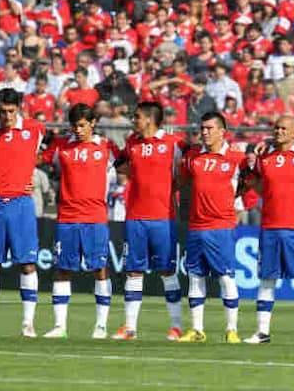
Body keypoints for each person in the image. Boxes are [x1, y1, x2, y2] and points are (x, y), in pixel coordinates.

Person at [0, 88, 47, 338]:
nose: (7, 116)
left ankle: (28, 324)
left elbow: (52, 151)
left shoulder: (35, 129)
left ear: (19, 109)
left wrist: (29, 176)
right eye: (2, 111)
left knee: (27, 264)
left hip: (21, 204)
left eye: (11, 111)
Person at [38, 103, 118, 339]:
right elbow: (37, 160)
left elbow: (129, 165)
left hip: (95, 217)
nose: (78, 130)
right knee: (63, 269)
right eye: (75, 126)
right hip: (68, 217)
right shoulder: (61, 146)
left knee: (100, 269)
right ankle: (60, 326)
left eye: (83, 125)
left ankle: (101, 326)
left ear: (92, 123)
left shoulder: (106, 147)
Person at [243, 115, 294, 345]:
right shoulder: (265, 155)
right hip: (270, 226)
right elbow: (254, 182)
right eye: (276, 128)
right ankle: (262, 332)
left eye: (284, 128)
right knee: (267, 280)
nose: (279, 131)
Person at [111, 102, 187, 341]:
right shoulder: (132, 142)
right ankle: (129, 327)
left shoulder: (174, 143)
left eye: (137, 116)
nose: (134, 120)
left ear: (150, 119)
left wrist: (172, 187)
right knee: (134, 271)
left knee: (167, 271)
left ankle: (176, 326)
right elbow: (120, 163)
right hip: (135, 217)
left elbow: (185, 170)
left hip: (163, 217)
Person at [177, 112, 246, 343]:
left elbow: (251, 181)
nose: (204, 132)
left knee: (225, 277)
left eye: (209, 128)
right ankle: (197, 330)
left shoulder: (237, 157)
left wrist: (232, 198)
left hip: (221, 226)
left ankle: (231, 330)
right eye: (202, 128)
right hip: (196, 226)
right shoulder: (193, 155)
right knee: (195, 277)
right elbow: (181, 181)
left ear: (222, 131)